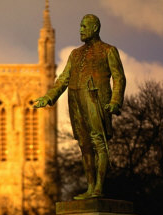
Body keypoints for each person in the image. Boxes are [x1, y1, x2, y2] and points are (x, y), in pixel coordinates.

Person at [34, 14, 126, 199]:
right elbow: (63, 79)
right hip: (75, 100)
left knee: (98, 142)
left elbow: (119, 78)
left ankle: (99, 187)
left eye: (84, 26)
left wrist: (115, 101)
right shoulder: (75, 54)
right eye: (80, 26)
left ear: (94, 28)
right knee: (84, 145)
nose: (81, 30)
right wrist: (48, 97)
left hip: (95, 98)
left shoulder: (108, 50)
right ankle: (90, 187)